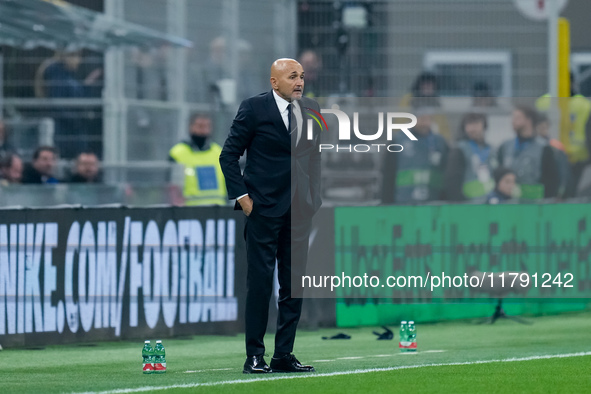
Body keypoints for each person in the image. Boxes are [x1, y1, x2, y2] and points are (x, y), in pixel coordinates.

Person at [219, 58, 321, 374]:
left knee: (294, 285)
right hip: (262, 209)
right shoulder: (253, 108)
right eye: (293, 77)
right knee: (261, 283)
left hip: (299, 209)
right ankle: (254, 355)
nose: (300, 82)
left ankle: (283, 354)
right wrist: (244, 199)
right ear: (274, 82)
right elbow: (228, 155)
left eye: (302, 76)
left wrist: (313, 197)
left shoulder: (312, 109)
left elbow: (314, 157)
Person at [382, 106, 448, 204]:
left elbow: (447, 172)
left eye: (427, 118)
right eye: (421, 118)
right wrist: (387, 201)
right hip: (403, 202)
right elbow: (388, 173)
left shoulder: (440, 142)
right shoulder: (398, 140)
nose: (424, 122)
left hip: (434, 202)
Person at [496, 105, 559, 200]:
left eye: (517, 117)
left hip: (535, 204)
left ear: (529, 120)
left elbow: (552, 180)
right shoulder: (505, 146)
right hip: (509, 204)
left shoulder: (544, 148)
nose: (513, 121)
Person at [169, 113, 227, 206]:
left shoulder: (219, 152)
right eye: (200, 126)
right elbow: (171, 186)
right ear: (190, 127)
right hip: (189, 210)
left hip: (217, 209)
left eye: (207, 126)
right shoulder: (177, 153)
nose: (204, 130)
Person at [444, 113, 494, 201]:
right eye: (469, 124)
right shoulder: (459, 150)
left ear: (484, 126)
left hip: (490, 202)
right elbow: (453, 180)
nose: (472, 129)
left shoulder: (490, 149)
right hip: (468, 203)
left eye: (476, 124)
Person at [535, 113, 571, 199]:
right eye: (540, 128)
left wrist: (561, 190)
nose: (543, 131)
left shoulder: (556, 146)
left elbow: (563, 171)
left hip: (552, 190)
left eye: (545, 127)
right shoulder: (532, 147)